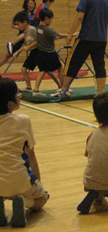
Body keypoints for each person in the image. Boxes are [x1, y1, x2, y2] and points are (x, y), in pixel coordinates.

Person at [0, 78, 50, 227]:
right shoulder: (23, 120)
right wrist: (39, 183)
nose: (19, 97)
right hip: (19, 179)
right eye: (17, 94)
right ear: (10, 104)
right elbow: (31, 153)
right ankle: (22, 203)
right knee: (43, 198)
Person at [56, 0, 108, 97]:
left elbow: (80, 17)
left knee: (72, 62)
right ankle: (100, 93)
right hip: (101, 39)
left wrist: (70, 34)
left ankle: (64, 90)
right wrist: (101, 30)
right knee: (99, 65)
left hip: (86, 38)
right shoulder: (107, 0)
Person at [33, 8, 70, 95]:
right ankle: (62, 88)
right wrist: (72, 35)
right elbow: (59, 35)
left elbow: (53, 37)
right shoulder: (48, 29)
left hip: (41, 53)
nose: (52, 21)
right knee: (60, 69)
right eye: (51, 19)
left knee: (43, 71)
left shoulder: (38, 28)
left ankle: (36, 89)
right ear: (46, 18)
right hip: (50, 53)